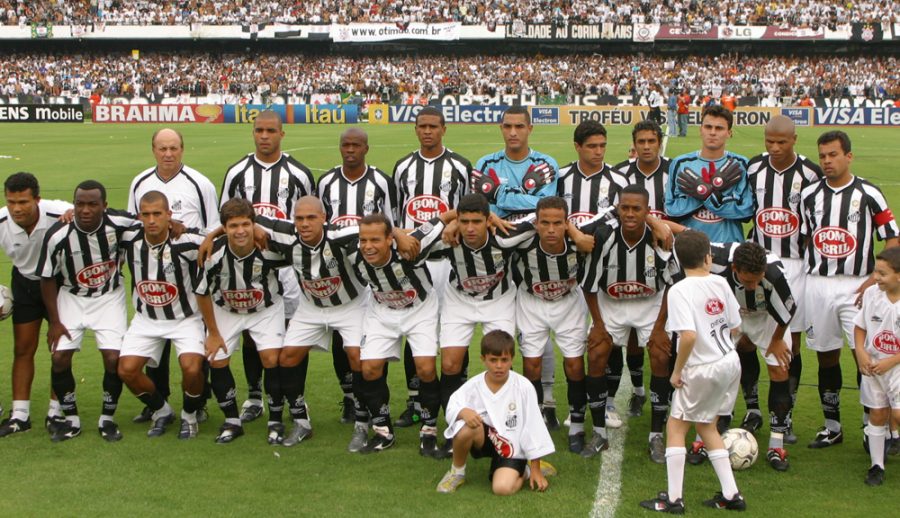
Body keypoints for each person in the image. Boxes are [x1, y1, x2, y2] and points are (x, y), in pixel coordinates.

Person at [800, 131, 898, 449]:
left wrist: (874, 277)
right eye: (823, 155)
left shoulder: (869, 193)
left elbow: (892, 240)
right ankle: (832, 426)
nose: (827, 161)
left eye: (833, 154)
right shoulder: (810, 195)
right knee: (826, 356)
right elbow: (804, 239)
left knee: (866, 356)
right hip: (817, 284)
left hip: (857, 286)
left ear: (848, 156)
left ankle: (875, 429)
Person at [253, 196, 374, 451]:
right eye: (299, 219)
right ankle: (301, 421)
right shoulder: (285, 234)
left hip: (350, 304)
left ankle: (362, 424)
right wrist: (214, 236)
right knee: (287, 358)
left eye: (311, 218)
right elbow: (242, 217)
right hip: (311, 307)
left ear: (323, 218)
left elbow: (379, 227)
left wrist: (401, 233)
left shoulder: (342, 234)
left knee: (357, 358)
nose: (304, 224)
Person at [640, 230, 746, 513]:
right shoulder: (721, 283)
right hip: (729, 361)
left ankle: (674, 499)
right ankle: (731, 494)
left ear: (677, 258)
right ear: (708, 257)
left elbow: (687, 336)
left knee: (675, 426)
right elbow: (736, 325)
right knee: (706, 424)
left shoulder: (679, 290)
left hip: (702, 367)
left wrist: (677, 371)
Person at [220, 110, 313, 424]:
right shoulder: (237, 173)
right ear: (253, 133)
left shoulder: (299, 174)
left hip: (287, 265)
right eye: (259, 130)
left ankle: (296, 397)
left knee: (293, 334)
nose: (264, 136)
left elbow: (308, 219)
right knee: (250, 330)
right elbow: (223, 220)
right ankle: (255, 395)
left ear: (281, 134)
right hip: (248, 265)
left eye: (271, 130)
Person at [472, 105, 559, 426]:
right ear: (500, 127)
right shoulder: (486, 163)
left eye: (519, 126)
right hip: (499, 258)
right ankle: (502, 400)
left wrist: (501, 195)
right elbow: (483, 207)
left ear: (530, 128)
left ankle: (546, 399)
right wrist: (521, 199)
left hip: (535, 256)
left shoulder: (546, 164)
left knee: (536, 332)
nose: (513, 132)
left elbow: (545, 207)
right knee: (501, 334)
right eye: (507, 126)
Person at [127, 128, 219, 424]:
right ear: (153, 149)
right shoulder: (140, 182)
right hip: (152, 272)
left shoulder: (199, 183)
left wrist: (183, 232)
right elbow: (131, 225)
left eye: (174, 148)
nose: (168, 154)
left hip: (189, 273)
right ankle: (158, 400)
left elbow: (213, 229)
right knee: (155, 345)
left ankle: (198, 404)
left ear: (183, 149)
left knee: (192, 349)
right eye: (162, 148)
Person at [581, 185, 676, 461]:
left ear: (648, 212)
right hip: (612, 302)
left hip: (650, 303)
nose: (630, 214)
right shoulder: (605, 236)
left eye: (637, 209)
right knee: (597, 352)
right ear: (618, 209)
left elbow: (671, 285)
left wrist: (659, 328)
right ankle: (599, 432)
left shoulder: (659, 237)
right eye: (626, 208)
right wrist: (598, 325)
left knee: (660, 354)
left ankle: (655, 436)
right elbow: (589, 286)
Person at [392, 106, 472, 429]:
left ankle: (457, 403)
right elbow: (398, 214)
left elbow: (468, 209)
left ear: (444, 128)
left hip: (449, 261)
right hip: (415, 264)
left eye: (433, 126)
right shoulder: (403, 168)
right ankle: (417, 401)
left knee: (455, 334)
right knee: (417, 334)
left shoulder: (460, 166)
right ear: (415, 129)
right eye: (422, 126)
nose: (427, 131)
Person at [745, 115, 822, 444]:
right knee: (745, 338)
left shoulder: (810, 173)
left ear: (794, 140)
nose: (775, 148)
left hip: (793, 265)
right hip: (756, 262)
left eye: (782, 142)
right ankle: (753, 410)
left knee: (789, 341)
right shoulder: (753, 169)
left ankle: (785, 415)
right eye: (769, 141)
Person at [37, 180, 134, 442]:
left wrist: (176, 225)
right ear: (73, 205)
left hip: (109, 296)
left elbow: (150, 222)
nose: (85, 210)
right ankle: (71, 419)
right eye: (80, 204)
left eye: (93, 204)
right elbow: (47, 278)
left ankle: (107, 420)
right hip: (71, 296)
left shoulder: (120, 223)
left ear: (105, 205)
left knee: (113, 359)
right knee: (59, 359)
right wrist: (54, 322)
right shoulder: (58, 235)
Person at [318, 127, 398, 426]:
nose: (350, 150)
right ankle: (350, 397)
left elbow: (393, 222)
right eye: (345, 145)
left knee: (373, 336)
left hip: (373, 268)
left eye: (356, 145)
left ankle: (377, 400)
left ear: (367, 148)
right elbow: (321, 223)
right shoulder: (326, 181)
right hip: (338, 270)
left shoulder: (380, 181)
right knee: (343, 336)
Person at [194, 199, 290, 444]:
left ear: (253, 224)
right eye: (234, 225)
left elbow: (301, 250)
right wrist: (213, 333)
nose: (240, 231)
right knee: (216, 358)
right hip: (226, 308)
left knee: (271, 358)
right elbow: (202, 292)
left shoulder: (269, 246)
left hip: (265, 308)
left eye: (246, 224)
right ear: (224, 228)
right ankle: (232, 422)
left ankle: (275, 421)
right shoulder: (212, 253)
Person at [350, 213, 444, 454]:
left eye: (375, 240)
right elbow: (326, 230)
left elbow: (447, 216)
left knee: (425, 368)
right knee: (369, 368)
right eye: (363, 240)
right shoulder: (350, 249)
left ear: (389, 239)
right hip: (381, 310)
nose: (368, 247)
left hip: (420, 309)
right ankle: (383, 431)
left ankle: (429, 431)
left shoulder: (414, 245)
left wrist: (403, 233)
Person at [116, 191, 207, 439]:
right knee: (126, 370)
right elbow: (101, 215)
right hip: (147, 318)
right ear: (139, 217)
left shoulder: (187, 240)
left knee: (191, 369)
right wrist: (68, 213)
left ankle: (190, 416)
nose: (152, 220)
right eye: (146, 214)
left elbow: (219, 237)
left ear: (169, 214)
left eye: (158, 214)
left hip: (185, 318)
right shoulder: (128, 237)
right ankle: (162, 410)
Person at [557, 120, 629, 430]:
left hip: (607, 271)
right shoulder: (560, 178)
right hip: (568, 274)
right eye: (591, 146)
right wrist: (575, 235)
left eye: (602, 146)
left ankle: (608, 401)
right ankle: (577, 404)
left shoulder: (618, 180)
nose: (598, 152)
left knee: (607, 339)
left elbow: (623, 217)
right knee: (574, 341)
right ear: (577, 147)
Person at [709, 241, 797, 471]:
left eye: (757, 279)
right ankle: (707, 434)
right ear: (734, 268)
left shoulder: (774, 275)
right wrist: (657, 223)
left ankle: (776, 445)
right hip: (732, 314)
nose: (753, 285)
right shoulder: (716, 259)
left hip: (767, 317)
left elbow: (788, 311)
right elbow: (689, 238)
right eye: (748, 280)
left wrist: (777, 340)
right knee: (715, 366)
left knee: (780, 367)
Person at [436, 330, 557, 495]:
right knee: (463, 426)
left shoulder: (524, 387)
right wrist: (463, 411)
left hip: (513, 447)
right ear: (483, 359)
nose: (499, 366)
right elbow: (452, 406)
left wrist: (535, 468)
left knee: (502, 489)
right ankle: (457, 473)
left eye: (504, 360)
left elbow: (534, 426)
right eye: (493, 360)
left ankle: (526, 470)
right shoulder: (473, 385)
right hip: (486, 439)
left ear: (512, 359)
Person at [0, 173, 71, 436]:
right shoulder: (2, 221)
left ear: (37, 200)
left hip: (59, 284)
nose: (17, 208)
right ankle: (19, 415)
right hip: (25, 284)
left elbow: (95, 209)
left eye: (23, 202)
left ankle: (57, 411)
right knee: (23, 348)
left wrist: (74, 212)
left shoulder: (58, 212)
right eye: (11, 202)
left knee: (60, 349)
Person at [666, 105, 753, 243]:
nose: (712, 132)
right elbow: (671, 210)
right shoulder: (681, 163)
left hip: (729, 248)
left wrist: (707, 194)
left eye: (719, 128)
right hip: (691, 248)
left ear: (729, 133)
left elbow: (746, 211)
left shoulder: (741, 164)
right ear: (701, 130)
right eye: (708, 127)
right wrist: (704, 192)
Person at [853, 247, 900, 486]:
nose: (876, 278)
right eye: (875, 272)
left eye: (882, 273)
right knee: (878, 413)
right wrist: (861, 352)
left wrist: (891, 361)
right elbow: (859, 327)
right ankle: (876, 466)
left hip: (897, 366)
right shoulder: (871, 294)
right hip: (873, 366)